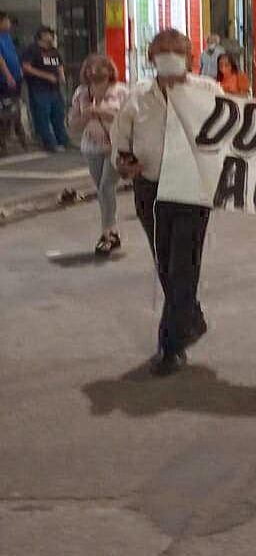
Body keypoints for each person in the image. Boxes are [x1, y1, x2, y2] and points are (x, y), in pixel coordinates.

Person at [113, 29, 223, 375]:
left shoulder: (208, 91)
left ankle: (171, 345)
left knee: (183, 266)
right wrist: (124, 164)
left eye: (177, 50)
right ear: (151, 58)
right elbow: (121, 143)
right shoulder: (137, 97)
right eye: (163, 51)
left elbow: (228, 134)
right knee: (165, 263)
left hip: (192, 189)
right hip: (151, 189)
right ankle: (190, 316)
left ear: (190, 58)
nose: (170, 56)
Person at [68, 54, 129, 257]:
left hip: (116, 147)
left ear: (109, 71)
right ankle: (113, 231)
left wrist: (101, 112)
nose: (94, 72)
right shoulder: (81, 93)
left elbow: (128, 119)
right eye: (90, 69)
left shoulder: (121, 91)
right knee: (103, 191)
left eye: (99, 68)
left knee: (106, 187)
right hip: (92, 148)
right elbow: (73, 125)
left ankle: (106, 233)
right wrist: (85, 115)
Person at [21, 25, 69, 152]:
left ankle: (63, 140)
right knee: (42, 116)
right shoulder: (32, 50)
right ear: (41, 36)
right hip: (39, 89)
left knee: (58, 114)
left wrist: (62, 76)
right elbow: (26, 67)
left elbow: (59, 64)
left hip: (54, 89)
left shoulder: (53, 50)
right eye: (48, 34)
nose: (51, 37)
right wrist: (46, 76)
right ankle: (49, 143)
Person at [0, 11, 28, 154]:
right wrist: (8, 75)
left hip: (16, 78)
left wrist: (19, 71)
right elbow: (1, 59)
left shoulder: (7, 36)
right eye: (6, 20)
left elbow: (13, 55)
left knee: (15, 108)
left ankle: (19, 137)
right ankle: (3, 143)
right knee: (7, 111)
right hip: (4, 81)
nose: (9, 23)